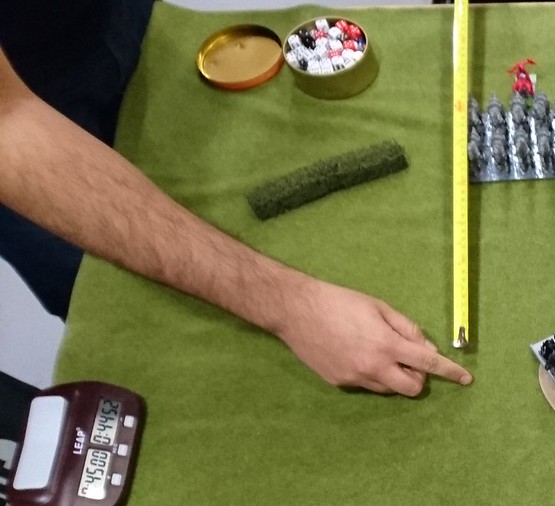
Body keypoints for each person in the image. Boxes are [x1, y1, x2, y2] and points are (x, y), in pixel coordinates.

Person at [0, 5, 471, 397]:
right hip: (23, 128)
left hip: (109, 21)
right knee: (134, 323)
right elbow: (10, 123)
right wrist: (295, 307)